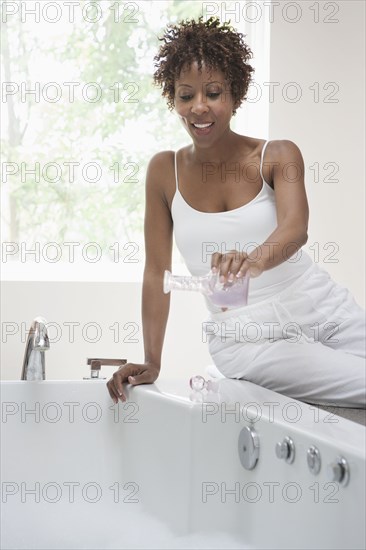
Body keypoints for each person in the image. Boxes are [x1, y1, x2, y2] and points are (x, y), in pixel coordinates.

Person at [107, 17, 365, 408]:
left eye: (213, 93)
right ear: (172, 98)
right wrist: (153, 361)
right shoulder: (164, 171)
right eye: (185, 95)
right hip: (247, 338)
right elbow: (155, 272)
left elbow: (296, 229)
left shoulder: (277, 154)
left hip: (318, 304)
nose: (199, 107)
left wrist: (254, 260)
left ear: (235, 94)